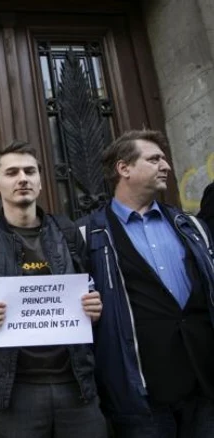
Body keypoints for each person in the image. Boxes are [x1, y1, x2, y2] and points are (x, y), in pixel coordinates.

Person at [0, 141, 107, 438]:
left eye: (29, 171)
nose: (22, 178)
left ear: (40, 182)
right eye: (12, 173)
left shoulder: (68, 232)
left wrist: (95, 307)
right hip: (13, 390)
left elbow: (91, 288)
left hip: (76, 384)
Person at [80, 130, 214, 437]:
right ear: (123, 168)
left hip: (204, 386)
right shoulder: (89, 235)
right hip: (140, 395)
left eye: (164, 158)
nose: (165, 165)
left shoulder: (190, 225)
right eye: (154, 159)